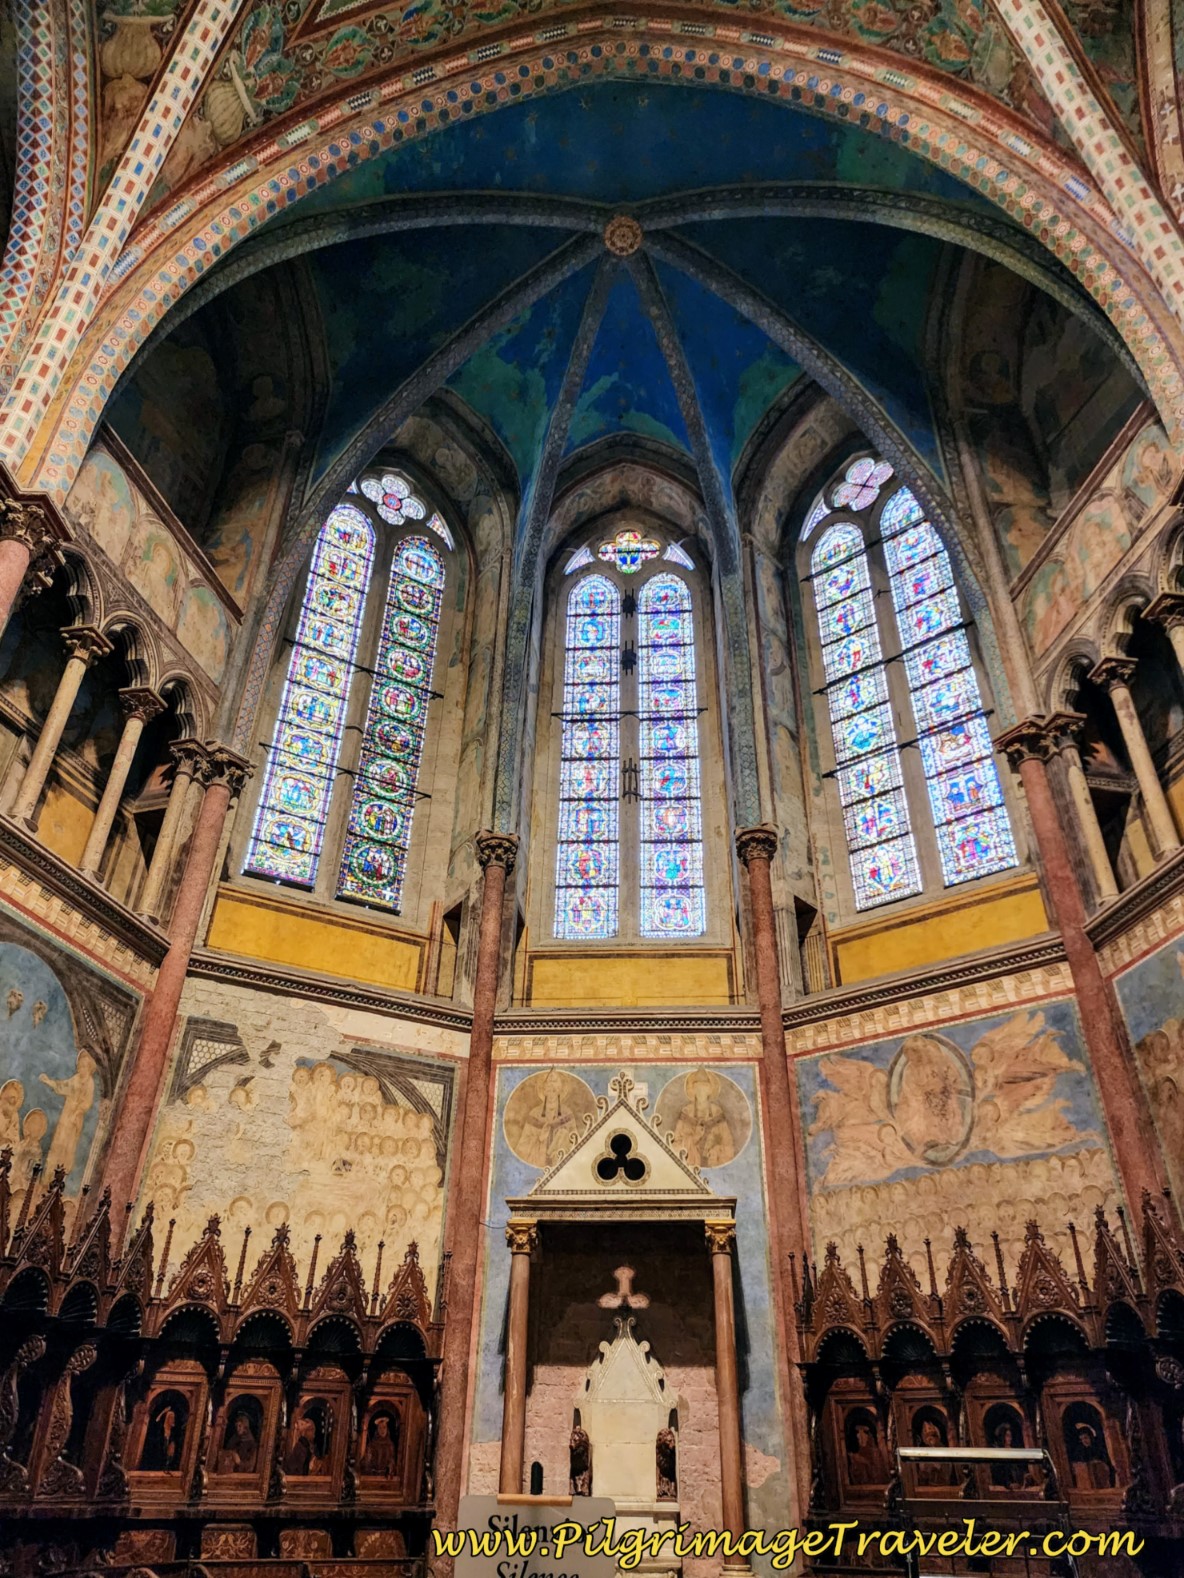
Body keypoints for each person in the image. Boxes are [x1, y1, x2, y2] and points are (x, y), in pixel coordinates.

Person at [141, 1400, 184, 1472]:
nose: (173, 1420)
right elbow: (156, 1421)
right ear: (166, 1419)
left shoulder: (173, 1434)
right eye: (171, 1418)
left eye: (173, 1418)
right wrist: (164, 1411)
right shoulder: (159, 1431)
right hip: (157, 1461)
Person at [217, 1409, 258, 1474]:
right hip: (228, 1473)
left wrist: (239, 1462)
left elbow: (251, 1466)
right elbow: (227, 1453)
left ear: (245, 1427)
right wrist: (223, 1454)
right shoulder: (233, 1440)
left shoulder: (252, 1444)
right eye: (236, 1426)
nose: (237, 1428)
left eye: (240, 1426)